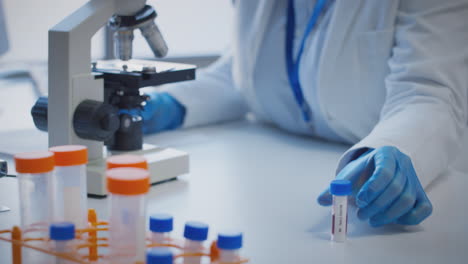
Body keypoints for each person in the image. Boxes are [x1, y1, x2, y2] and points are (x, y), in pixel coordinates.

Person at [141, 0, 468, 227]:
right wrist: (172, 103)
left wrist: (398, 147)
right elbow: (247, 70)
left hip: (396, 194)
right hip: (269, 186)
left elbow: (428, 94)